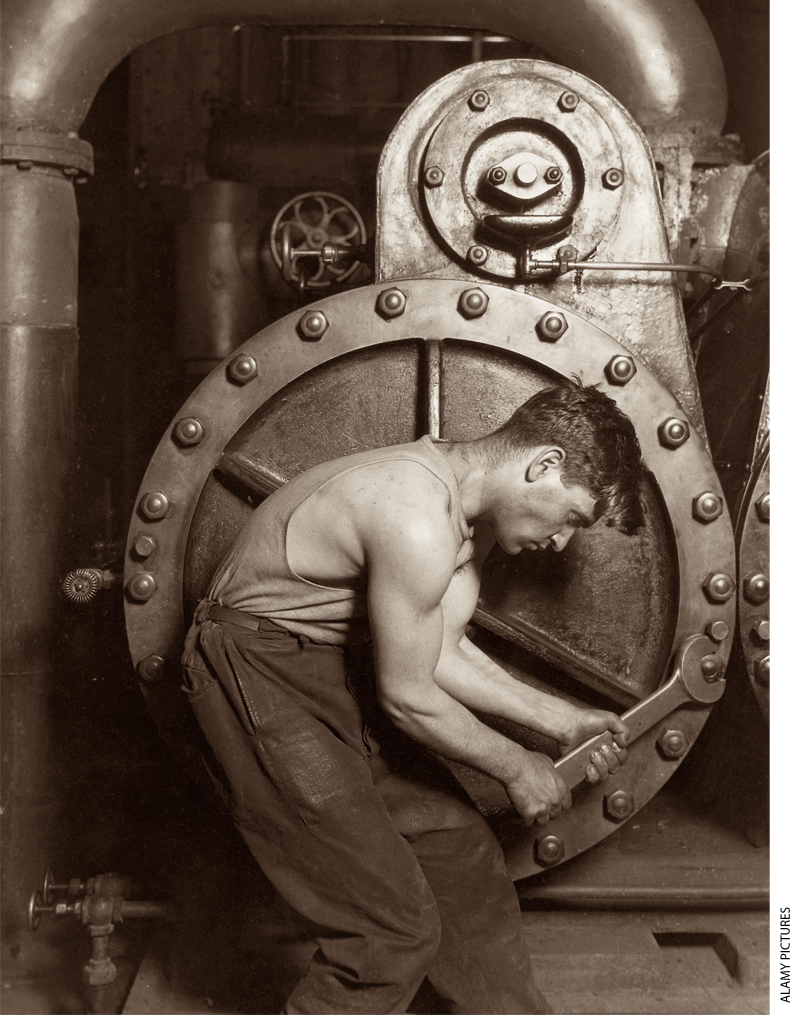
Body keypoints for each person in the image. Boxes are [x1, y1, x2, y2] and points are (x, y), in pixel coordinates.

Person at [181, 379, 645, 1015]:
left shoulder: (466, 519)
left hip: (324, 670)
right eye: (571, 518)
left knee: (460, 854)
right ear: (544, 464)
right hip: (253, 673)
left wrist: (562, 720)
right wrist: (517, 765)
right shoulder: (414, 513)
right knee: (388, 931)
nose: (562, 543)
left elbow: (441, 652)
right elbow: (405, 695)